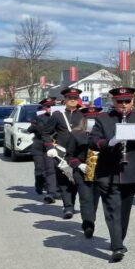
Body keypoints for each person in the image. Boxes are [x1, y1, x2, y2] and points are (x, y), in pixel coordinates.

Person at [89, 86, 135, 262]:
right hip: (107, 172)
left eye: (127, 101)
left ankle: (119, 239)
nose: (124, 105)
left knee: (124, 211)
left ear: (132, 101)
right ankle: (117, 246)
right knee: (112, 209)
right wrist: (109, 142)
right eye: (120, 102)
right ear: (113, 102)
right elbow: (93, 141)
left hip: (131, 171)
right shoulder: (103, 118)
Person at [48, 87, 86, 219]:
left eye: (75, 98)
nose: (73, 100)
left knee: (77, 179)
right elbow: (46, 132)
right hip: (62, 153)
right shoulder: (57, 115)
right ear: (65, 99)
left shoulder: (83, 115)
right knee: (64, 181)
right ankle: (68, 207)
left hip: (80, 153)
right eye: (70, 98)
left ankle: (82, 206)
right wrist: (49, 147)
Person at [64, 105, 101, 238]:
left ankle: (90, 219)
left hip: (99, 171)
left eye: (95, 118)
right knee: (86, 198)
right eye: (89, 118)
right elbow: (69, 156)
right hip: (82, 170)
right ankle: (88, 224)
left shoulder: (103, 135)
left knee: (94, 199)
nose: (92, 121)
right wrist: (79, 165)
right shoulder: (76, 134)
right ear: (84, 120)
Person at [28, 97, 58, 203]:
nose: (50, 108)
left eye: (52, 106)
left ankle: (52, 191)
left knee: (52, 168)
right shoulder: (39, 117)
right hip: (39, 146)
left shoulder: (59, 117)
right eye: (48, 107)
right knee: (40, 168)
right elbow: (37, 130)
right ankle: (39, 185)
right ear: (44, 108)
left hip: (53, 146)